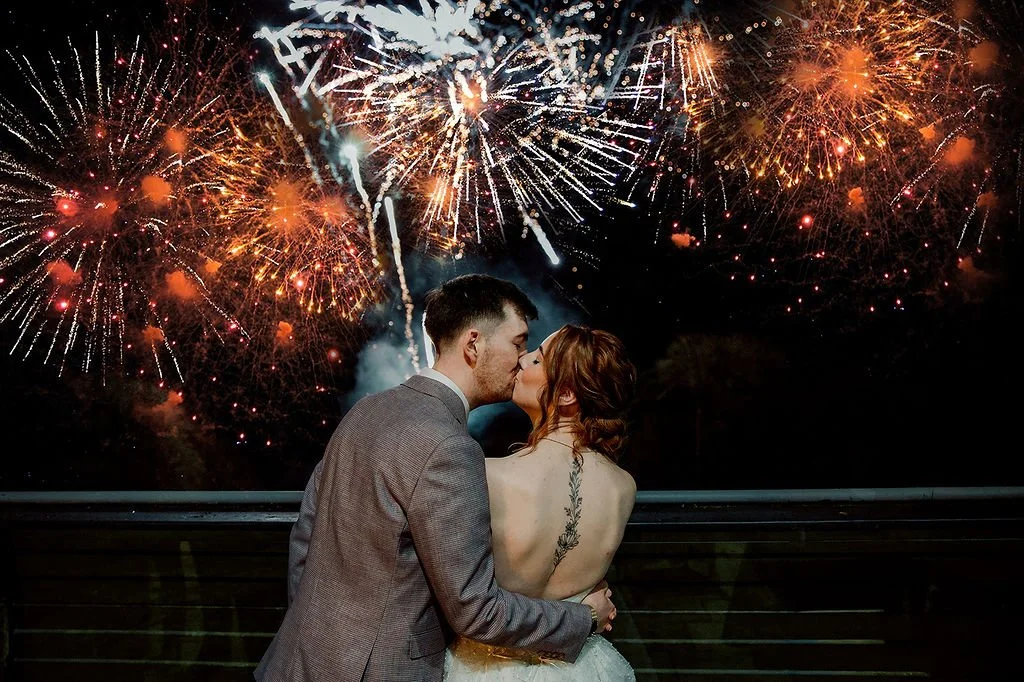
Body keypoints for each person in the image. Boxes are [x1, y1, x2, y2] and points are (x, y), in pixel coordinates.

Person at [255, 274, 616, 682]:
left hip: (295, 662)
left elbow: (305, 536)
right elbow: (476, 610)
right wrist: (583, 617)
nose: (522, 358)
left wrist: (321, 633)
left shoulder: (367, 411)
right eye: (517, 343)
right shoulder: (450, 448)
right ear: (474, 345)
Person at [444, 324, 638, 681]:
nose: (521, 359)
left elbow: (462, 598)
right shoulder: (623, 488)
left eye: (537, 358)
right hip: (581, 668)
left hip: (488, 669)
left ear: (564, 393)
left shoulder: (487, 476)